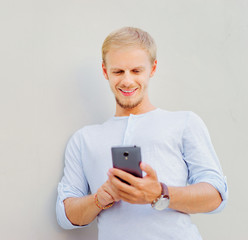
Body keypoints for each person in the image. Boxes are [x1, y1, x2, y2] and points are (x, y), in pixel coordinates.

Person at [56, 27, 228, 240]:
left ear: (152, 68)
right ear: (104, 71)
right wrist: (99, 199)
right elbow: (65, 216)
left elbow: (217, 196)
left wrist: (159, 192)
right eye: (118, 71)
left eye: (136, 71)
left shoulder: (184, 123)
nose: (127, 81)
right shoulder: (84, 139)